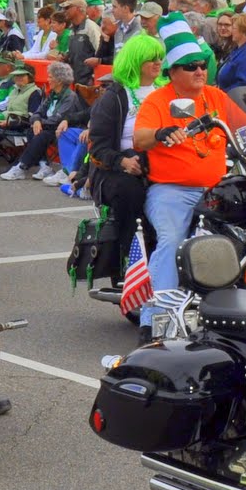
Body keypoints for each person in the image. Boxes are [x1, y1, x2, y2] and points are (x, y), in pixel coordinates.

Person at [132, 25, 246, 339]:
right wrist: (159, 134)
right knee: (172, 241)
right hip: (173, 189)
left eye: (202, 65)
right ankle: (156, 317)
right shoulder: (158, 101)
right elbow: (139, 138)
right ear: (173, 72)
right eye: (191, 67)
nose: (200, 71)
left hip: (219, 188)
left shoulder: (216, 96)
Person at [88, 33, 165, 295]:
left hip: (161, 164)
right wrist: (121, 161)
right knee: (131, 192)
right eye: (150, 59)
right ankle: (128, 266)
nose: (157, 63)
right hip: (116, 170)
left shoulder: (165, 92)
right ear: (135, 60)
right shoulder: (115, 97)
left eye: (160, 58)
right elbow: (97, 147)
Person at [0, 62, 85, 182]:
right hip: (48, 127)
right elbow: (37, 112)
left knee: (41, 134)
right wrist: (37, 121)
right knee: (33, 130)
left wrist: (39, 122)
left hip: (62, 130)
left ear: (59, 80)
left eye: (50, 77)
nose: (47, 79)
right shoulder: (52, 95)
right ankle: (44, 166)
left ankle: (21, 166)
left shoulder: (70, 97)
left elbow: (57, 119)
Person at [216, 12, 246, 93]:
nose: (231, 31)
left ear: (243, 31)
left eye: (234, 28)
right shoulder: (239, 49)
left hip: (236, 101)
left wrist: (223, 93)